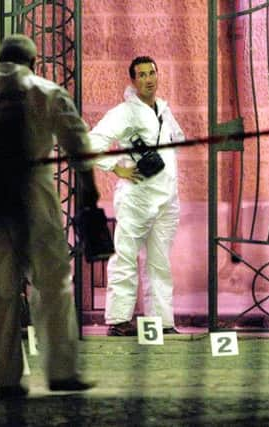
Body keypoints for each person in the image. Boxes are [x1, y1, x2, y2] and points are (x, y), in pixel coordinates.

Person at [0, 34, 98, 398]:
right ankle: (61, 373)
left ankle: (7, 381)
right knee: (53, 284)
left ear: (0, 58)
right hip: (35, 193)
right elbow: (77, 141)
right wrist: (89, 192)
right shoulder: (44, 89)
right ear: (32, 61)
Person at [88, 56, 184, 336]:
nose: (148, 79)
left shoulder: (163, 110)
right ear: (133, 80)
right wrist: (116, 167)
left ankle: (162, 322)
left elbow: (176, 140)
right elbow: (93, 142)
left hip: (167, 197)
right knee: (126, 257)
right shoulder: (124, 112)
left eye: (152, 73)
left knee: (160, 261)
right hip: (137, 197)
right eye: (141, 75)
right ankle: (118, 320)